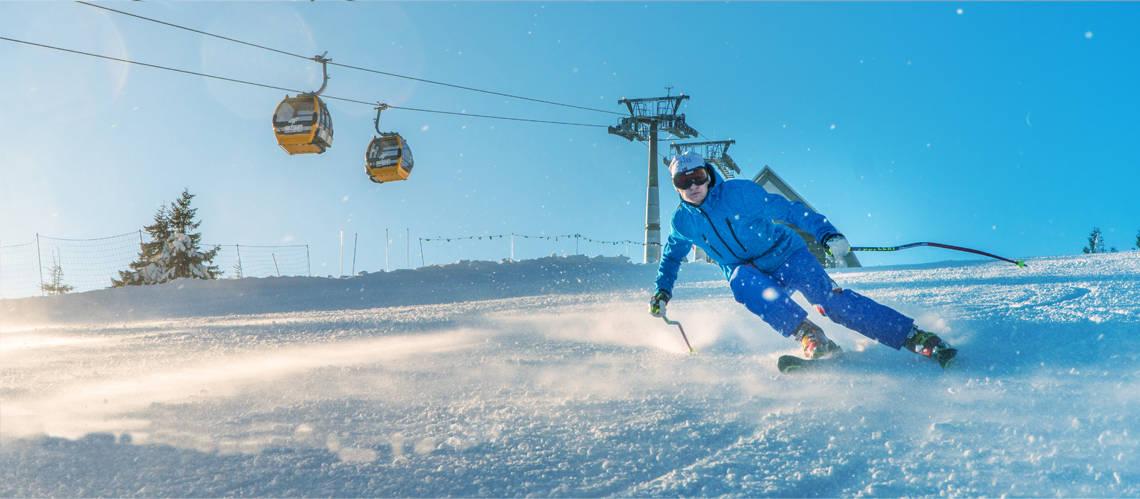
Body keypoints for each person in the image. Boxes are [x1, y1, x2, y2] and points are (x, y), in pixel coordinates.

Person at [649, 151, 956, 366]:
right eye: (683, 182)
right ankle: (811, 337)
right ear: (676, 186)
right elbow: (671, 257)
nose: (693, 187)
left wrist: (827, 234)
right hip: (752, 274)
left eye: (698, 177)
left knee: (831, 302)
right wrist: (663, 290)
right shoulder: (683, 222)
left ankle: (915, 337)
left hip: (786, 256)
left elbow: (792, 211)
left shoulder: (741, 194)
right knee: (740, 280)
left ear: (709, 176)